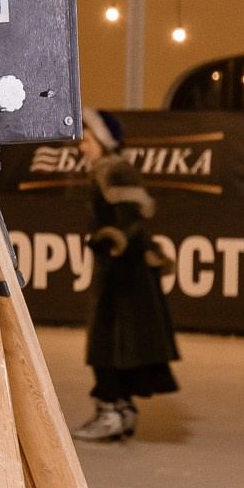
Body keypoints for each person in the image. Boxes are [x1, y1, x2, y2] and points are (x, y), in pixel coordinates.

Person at [72, 109, 180, 442]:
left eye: (88, 140)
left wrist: (110, 239)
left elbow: (130, 218)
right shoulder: (107, 169)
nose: (82, 148)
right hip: (121, 268)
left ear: (104, 141)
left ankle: (111, 410)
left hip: (123, 272)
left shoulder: (115, 170)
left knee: (108, 341)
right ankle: (121, 408)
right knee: (119, 343)